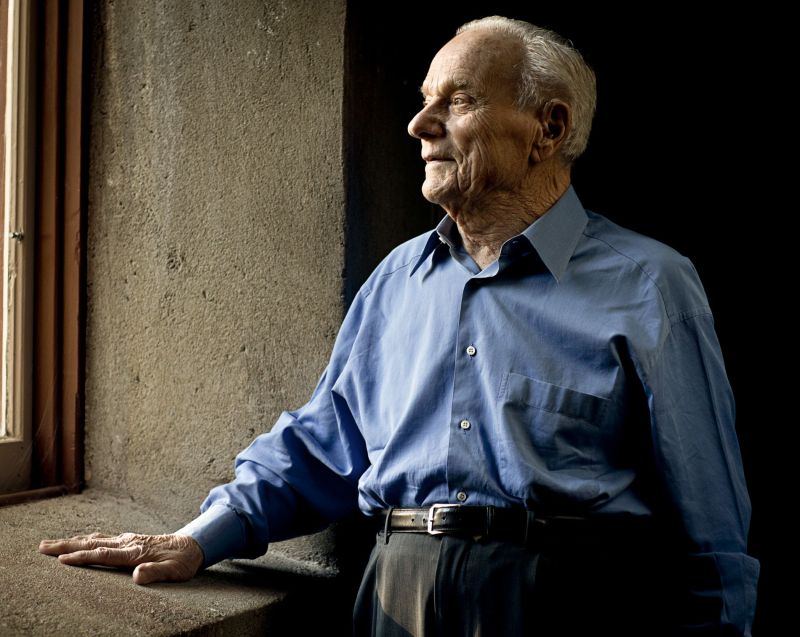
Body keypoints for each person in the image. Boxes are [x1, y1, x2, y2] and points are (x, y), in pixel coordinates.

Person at [40, 16, 759, 636]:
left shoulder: (651, 285)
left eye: (459, 100)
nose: (420, 125)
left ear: (549, 128)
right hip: (397, 594)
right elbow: (322, 445)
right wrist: (199, 540)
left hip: (569, 601)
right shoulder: (396, 280)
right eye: (423, 101)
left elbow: (710, 525)